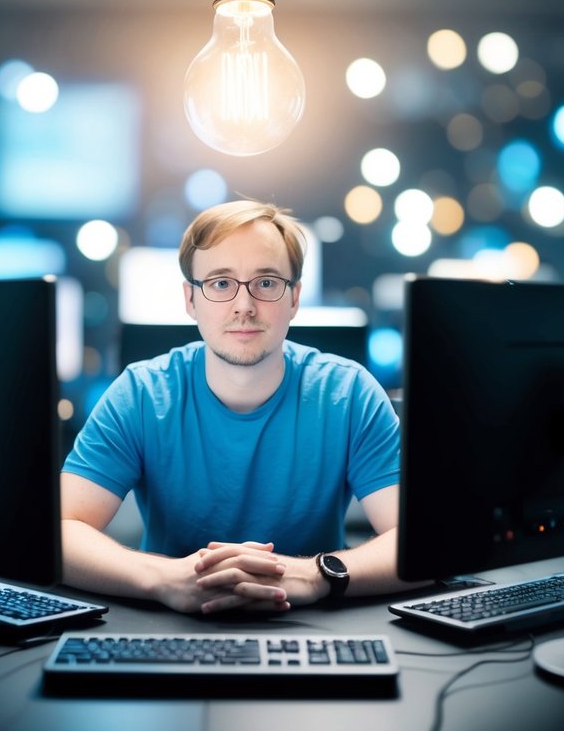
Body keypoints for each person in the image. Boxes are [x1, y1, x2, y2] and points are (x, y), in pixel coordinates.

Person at [61, 199, 421, 614]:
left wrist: (313, 576)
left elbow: (420, 542)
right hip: (165, 626)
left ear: (295, 298)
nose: (244, 305)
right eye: (220, 283)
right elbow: (60, 531)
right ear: (190, 300)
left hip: (314, 627)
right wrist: (163, 578)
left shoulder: (350, 392)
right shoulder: (139, 394)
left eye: (266, 282)